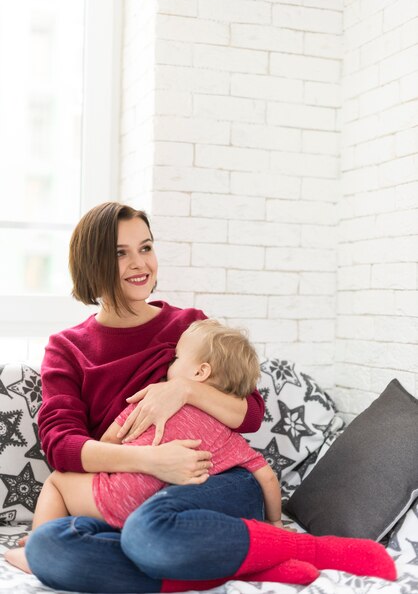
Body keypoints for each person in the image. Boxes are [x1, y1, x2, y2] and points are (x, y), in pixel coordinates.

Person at [12, 202, 395, 593]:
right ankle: (242, 566)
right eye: (119, 253)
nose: (140, 263)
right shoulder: (67, 348)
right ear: (92, 262)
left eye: (146, 247)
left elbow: (250, 414)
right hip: (124, 495)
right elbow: (62, 446)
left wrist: (184, 388)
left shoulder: (189, 326)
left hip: (216, 483)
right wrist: (151, 461)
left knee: (148, 531)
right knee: (48, 550)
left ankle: (308, 549)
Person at [6, 319, 284, 574]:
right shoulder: (227, 435)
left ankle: (36, 550)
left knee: (58, 481)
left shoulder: (149, 400)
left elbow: (108, 441)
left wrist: (183, 391)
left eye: (175, 359)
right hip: (166, 514)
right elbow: (267, 477)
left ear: (201, 371)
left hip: (119, 498)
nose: (168, 367)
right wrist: (275, 523)